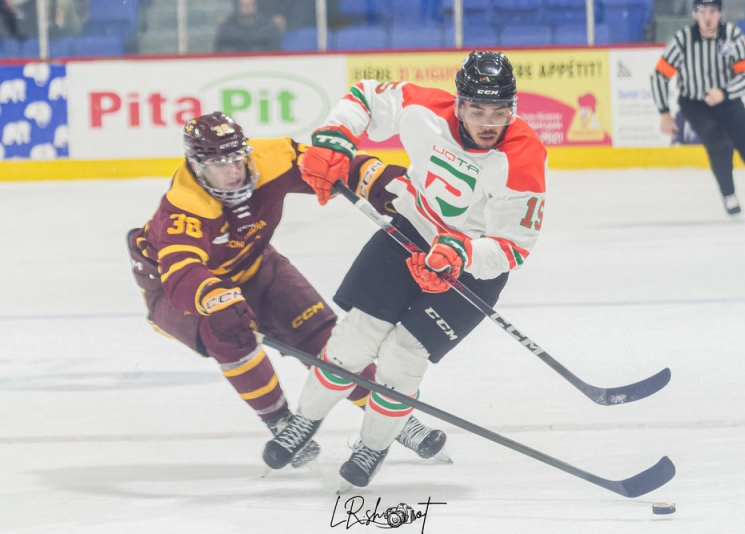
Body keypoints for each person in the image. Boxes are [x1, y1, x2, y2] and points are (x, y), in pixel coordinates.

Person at [263, 51, 547, 488]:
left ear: (513, 107)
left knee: (402, 358)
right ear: (459, 104)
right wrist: (336, 136)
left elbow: (512, 247)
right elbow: (365, 96)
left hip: (471, 263)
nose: (489, 122)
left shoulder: (523, 155)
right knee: (353, 342)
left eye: (500, 110)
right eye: (477, 109)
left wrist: (460, 253)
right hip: (410, 231)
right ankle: (305, 420)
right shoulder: (425, 110)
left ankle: (373, 446)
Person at [127, 112, 447, 469]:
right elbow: (182, 274)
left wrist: (392, 188)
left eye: (236, 159)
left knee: (323, 336)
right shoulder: (184, 205)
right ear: (197, 166)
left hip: (254, 265)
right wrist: (216, 299)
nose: (233, 172)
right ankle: (280, 421)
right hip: (171, 287)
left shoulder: (273, 158)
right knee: (226, 332)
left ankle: (395, 419)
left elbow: (335, 167)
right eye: (219, 164)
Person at [651, 0, 745, 216]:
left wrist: (724, 92)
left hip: (727, 100)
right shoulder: (682, 40)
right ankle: (729, 195)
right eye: (702, 11)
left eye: (712, 11)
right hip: (694, 103)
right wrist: (664, 112)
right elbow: (659, 76)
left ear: (720, 13)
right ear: (694, 13)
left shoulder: (733, 36)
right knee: (719, 144)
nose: (707, 17)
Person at [213, 0, 283, 53]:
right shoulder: (227, 27)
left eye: (248, 5)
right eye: (241, 6)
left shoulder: (267, 27)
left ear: (255, 6)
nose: (244, 10)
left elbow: (275, 52)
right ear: (236, 7)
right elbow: (219, 50)